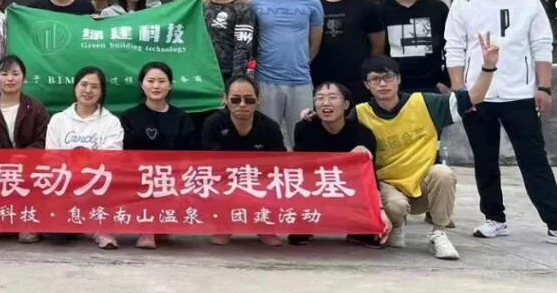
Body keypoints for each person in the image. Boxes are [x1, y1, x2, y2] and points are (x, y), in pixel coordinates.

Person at [445, 0, 557, 243]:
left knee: (533, 159)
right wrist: (459, 90)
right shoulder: (463, 2)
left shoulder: (527, 0)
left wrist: (544, 87)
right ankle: (494, 218)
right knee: (484, 160)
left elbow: (542, 44)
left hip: (519, 94)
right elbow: (454, 47)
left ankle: (554, 220)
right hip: (477, 95)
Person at [356, 51, 500, 259]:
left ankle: (439, 233)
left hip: (423, 187)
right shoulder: (360, 113)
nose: (383, 84)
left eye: (388, 77)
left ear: (398, 79)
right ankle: (397, 225)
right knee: (396, 206)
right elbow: (332, 129)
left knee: (443, 173)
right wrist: (311, 117)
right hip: (388, 188)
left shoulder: (425, 103)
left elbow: (473, 98)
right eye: (375, 79)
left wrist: (488, 67)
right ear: (366, 84)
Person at [290, 82, 386, 248]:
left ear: (346, 104)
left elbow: (369, 176)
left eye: (333, 98)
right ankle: (305, 224)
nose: (325, 103)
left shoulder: (362, 133)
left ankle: (360, 230)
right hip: (316, 184)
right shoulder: (304, 129)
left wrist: (380, 210)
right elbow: (301, 168)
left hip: (348, 186)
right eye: (320, 98)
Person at [249, 0, 323, 149]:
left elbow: (315, 41)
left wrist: (302, 62)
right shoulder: (254, 3)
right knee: (267, 137)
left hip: (300, 80)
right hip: (265, 80)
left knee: (301, 136)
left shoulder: (312, 3)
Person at [201, 75, 285, 246]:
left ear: (258, 101)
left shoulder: (270, 127)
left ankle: (264, 226)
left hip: (258, 179)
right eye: (235, 99)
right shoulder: (212, 124)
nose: (242, 104)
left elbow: (280, 164)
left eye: (249, 100)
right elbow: (207, 162)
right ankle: (223, 225)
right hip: (224, 178)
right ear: (225, 99)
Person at [120, 61, 196, 250]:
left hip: (172, 178)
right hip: (138, 178)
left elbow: (190, 154)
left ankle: (160, 223)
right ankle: (146, 229)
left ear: (170, 85)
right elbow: (125, 156)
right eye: (151, 81)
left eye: (162, 81)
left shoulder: (181, 117)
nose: (156, 86)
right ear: (141, 84)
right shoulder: (129, 116)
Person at [46, 66, 123, 249]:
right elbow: (51, 158)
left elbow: (112, 157)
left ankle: (101, 229)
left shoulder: (111, 122)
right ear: (75, 87)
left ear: (102, 92)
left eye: (95, 87)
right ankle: (76, 223)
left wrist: (85, 170)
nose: (88, 90)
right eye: (84, 85)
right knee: (56, 237)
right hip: (65, 184)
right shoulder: (58, 120)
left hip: (98, 184)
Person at [0, 55, 48, 244]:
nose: (10, 79)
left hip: (30, 169)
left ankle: (28, 220)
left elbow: (44, 141)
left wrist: (24, 157)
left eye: (15, 74)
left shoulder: (36, 108)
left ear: (23, 78)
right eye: (4, 74)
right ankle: (5, 219)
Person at [312, 0, 385, 103]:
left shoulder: (367, 7)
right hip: (318, 83)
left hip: (357, 85)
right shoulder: (311, 6)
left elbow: (378, 46)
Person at [380, 0, 449, 93]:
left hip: (434, 86)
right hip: (395, 88)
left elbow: (450, 46)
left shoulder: (438, 8)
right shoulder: (380, 11)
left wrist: (446, 80)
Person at [199, 0, 256, 81]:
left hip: (229, 78)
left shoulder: (242, 9)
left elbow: (243, 48)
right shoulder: (200, 9)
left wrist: (236, 81)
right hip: (202, 76)